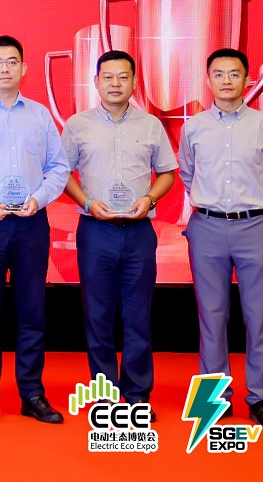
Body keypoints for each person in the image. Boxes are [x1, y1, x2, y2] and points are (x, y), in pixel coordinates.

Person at [0, 35, 69, 424]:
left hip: (31, 223)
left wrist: (39, 198)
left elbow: (59, 167)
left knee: (32, 308)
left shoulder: (40, 115)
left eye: (12, 61)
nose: (5, 68)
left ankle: (32, 393)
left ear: (24, 68)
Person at [61, 50, 176, 419]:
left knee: (138, 315)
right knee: (98, 315)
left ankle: (138, 395)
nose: (115, 83)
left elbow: (167, 173)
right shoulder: (77, 125)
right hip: (96, 231)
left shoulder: (151, 125)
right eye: (108, 77)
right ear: (96, 82)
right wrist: (87, 201)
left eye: (123, 77)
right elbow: (61, 174)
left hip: (139, 231)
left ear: (134, 82)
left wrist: (150, 198)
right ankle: (106, 395)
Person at [179, 48, 263, 429]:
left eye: (234, 73)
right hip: (206, 228)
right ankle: (215, 400)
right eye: (219, 74)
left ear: (247, 79)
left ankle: (260, 399)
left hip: (254, 228)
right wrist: (212, 206)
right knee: (212, 316)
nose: (227, 80)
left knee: (260, 317)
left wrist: (252, 210)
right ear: (208, 80)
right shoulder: (193, 127)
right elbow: (187, 175)